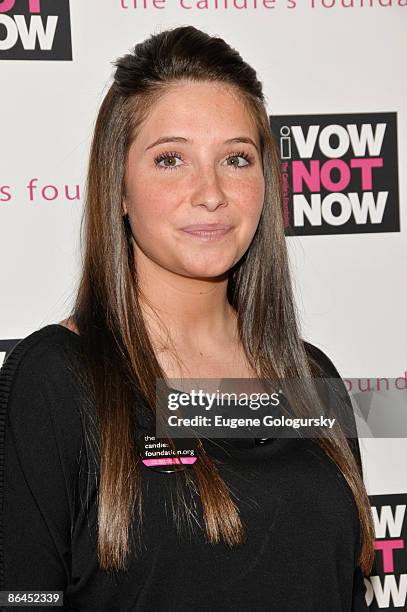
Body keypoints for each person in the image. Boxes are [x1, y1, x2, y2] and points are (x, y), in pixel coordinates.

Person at [0, 25, 374, 612]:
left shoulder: (308, 377)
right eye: (171, 159)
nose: (211, 192)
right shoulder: (56, 379)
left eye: (236, 158)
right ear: (117, 186)